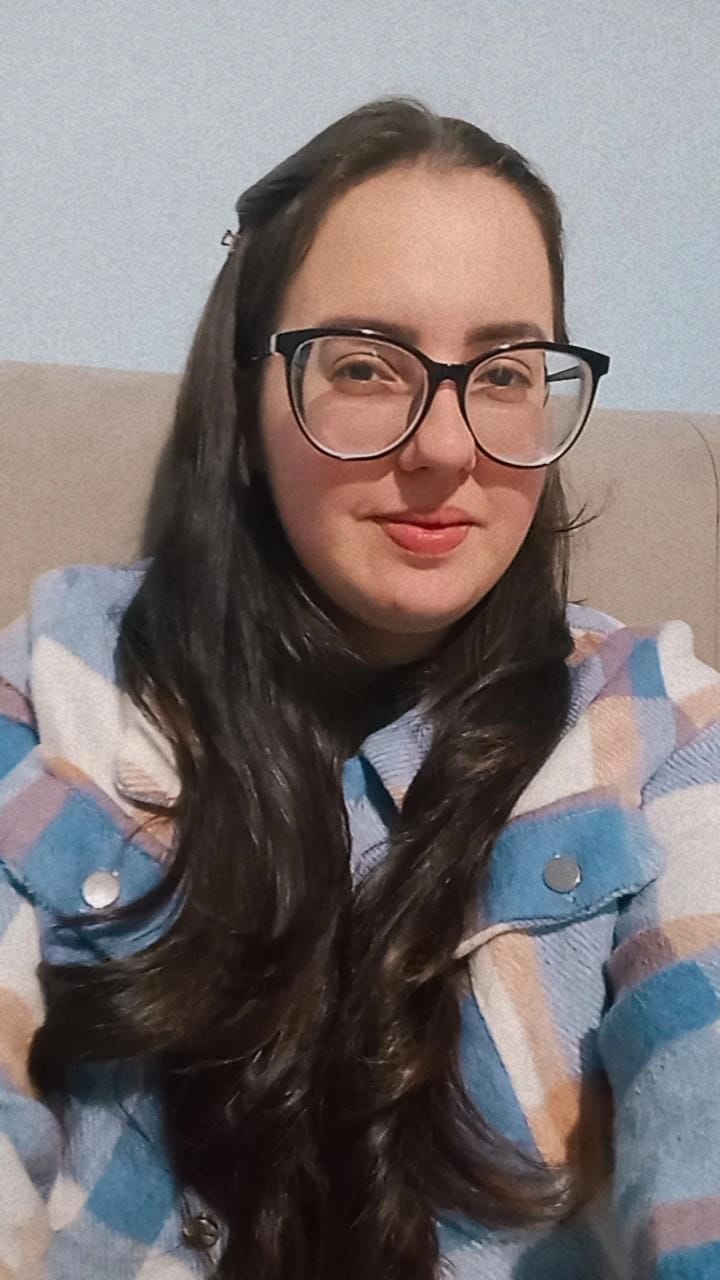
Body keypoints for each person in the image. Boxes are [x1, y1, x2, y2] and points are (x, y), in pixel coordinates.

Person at [1, 96, 719, 1280]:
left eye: (504, 372)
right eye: (365, 366)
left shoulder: (658, 724)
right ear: (246, 399)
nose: (446, 446)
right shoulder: (51, 686)